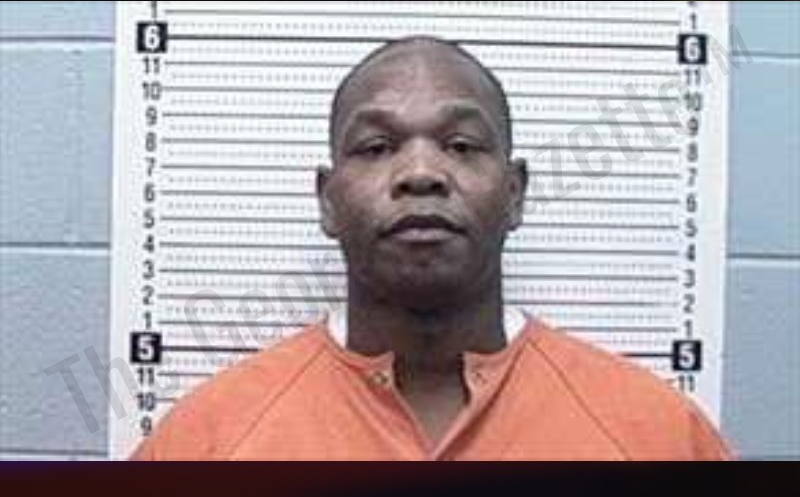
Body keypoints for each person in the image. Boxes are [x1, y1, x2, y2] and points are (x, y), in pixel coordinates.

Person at [132, 35, 733, 460]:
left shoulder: (660, 438)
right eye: (376, 148)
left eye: (462, 145)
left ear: (515, 194)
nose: (421, 173)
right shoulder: (206, 443)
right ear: (328, 201)